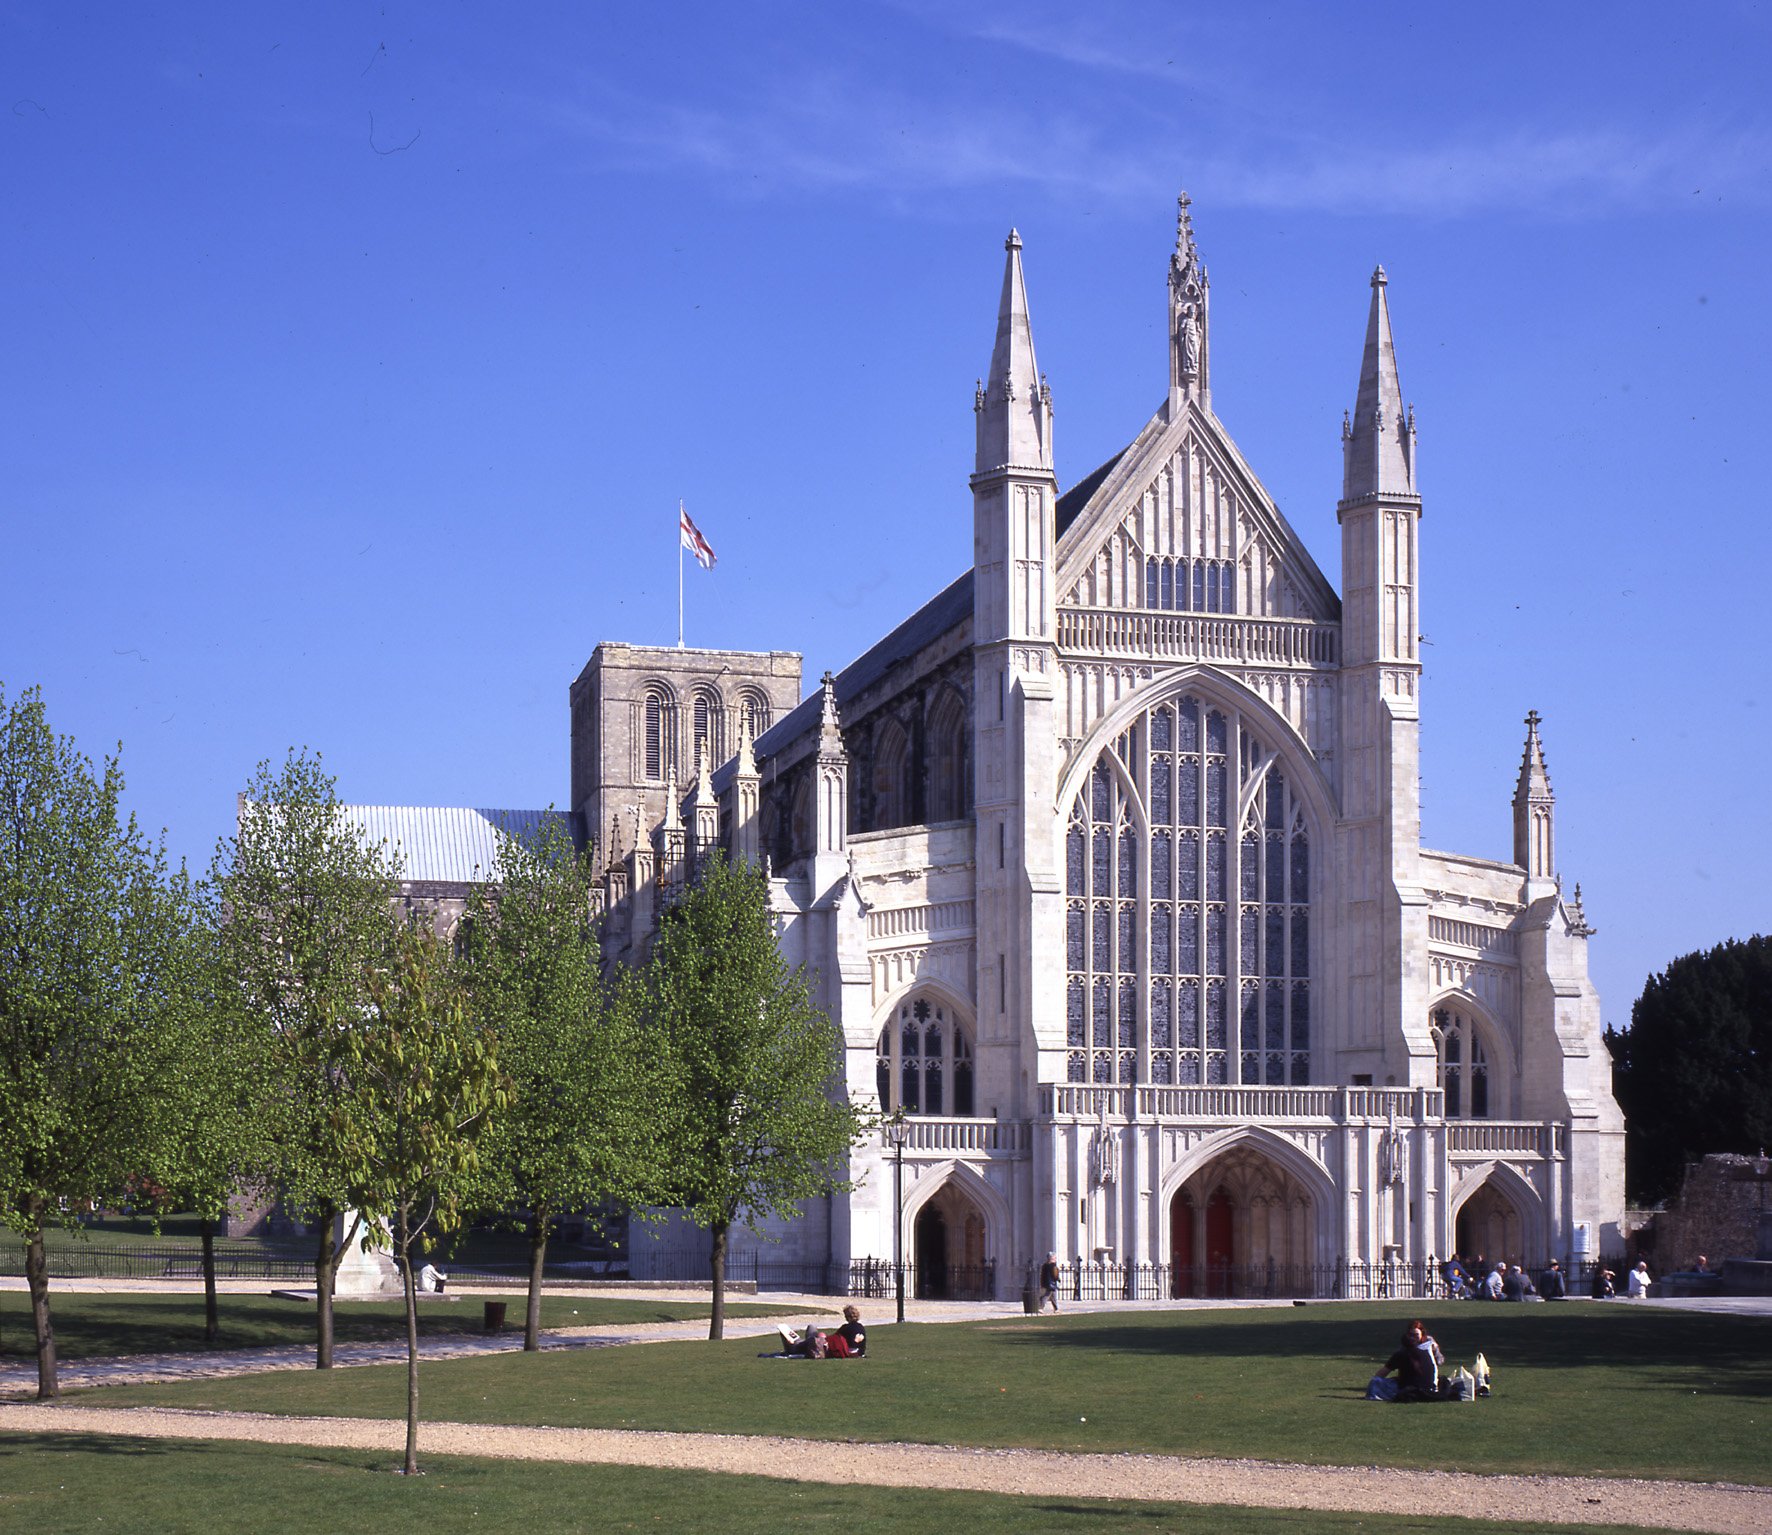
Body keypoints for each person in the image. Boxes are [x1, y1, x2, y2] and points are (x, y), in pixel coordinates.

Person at [1375, 1320, 1444, 1403]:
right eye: (1411, 1335)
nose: (1413, 1338)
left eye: (1416, 1335)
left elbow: (1439, 1361)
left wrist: (1374, 1382)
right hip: (1429, 1387)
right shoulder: (1414, 1351)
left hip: (1416, 1386)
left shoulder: (1426, 1348)